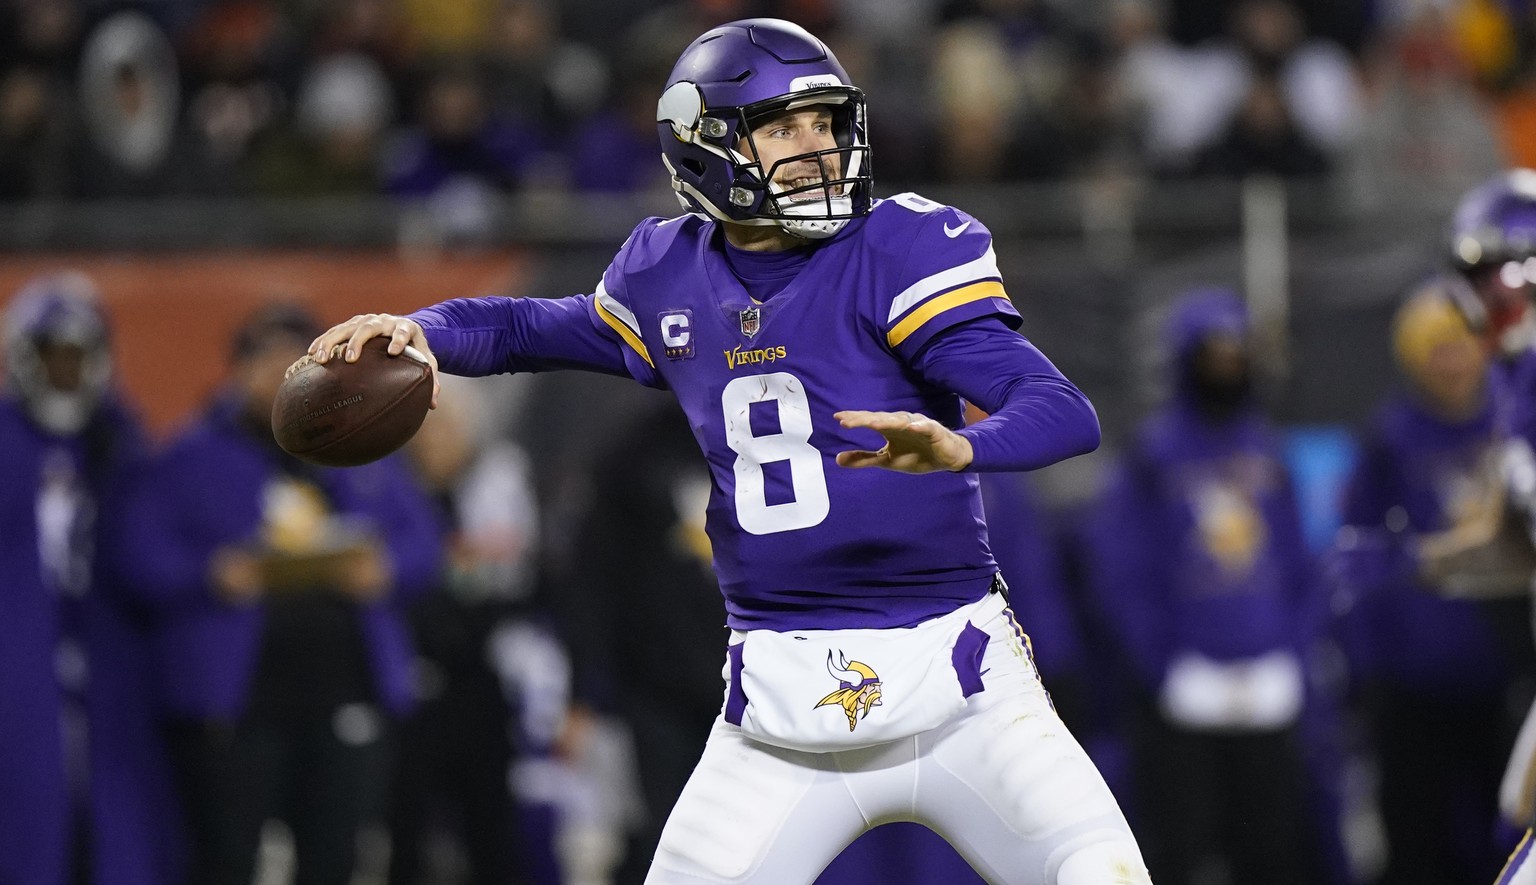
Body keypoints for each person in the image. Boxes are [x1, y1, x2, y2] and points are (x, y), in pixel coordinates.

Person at [307, 17, 1151, 885]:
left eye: (825, 123)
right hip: (779, 713)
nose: (817, 148)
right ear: (704, 145)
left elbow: (1059, 407)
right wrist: (420, 331)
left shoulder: (894, 248)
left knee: (1101, 872)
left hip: (959, 684)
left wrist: (960, 445)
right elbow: (530, 325)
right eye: (783, 127)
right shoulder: (666, 271)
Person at [109, 303, 442, 885]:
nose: (281, 378)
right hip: (235, 701)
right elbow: (135, 555)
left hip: (346, 689)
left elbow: (424, 539)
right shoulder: (188, 456)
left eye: (297, 362)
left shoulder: (362, 446)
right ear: (236, 372)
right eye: (266, 364)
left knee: (336, 856)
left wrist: (385, 568)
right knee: (228, 857)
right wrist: (210, 573)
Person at [1079, 288, 1325, 885]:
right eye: (1214, 354)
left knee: (1273, 852)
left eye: (1238, 354)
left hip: (1271, 689)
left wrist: (1294, 651)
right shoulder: (1153, 456)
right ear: (1187, 359)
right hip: (1184, 694)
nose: (1228, 367)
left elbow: (1297, 563)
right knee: (1180, 852)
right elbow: (1120, 570)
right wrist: (1161, 665)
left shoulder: (1269, 449)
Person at [1331, 278, 1532, 885]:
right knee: (1416, 838)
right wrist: (1366, 661)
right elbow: (1360, 554)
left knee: (1501, 835)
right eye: (1436, 347)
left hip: (1503, 668)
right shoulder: (1391, 434)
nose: (1452, 361)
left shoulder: (1514, 418)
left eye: (1461, 344)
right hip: (1415, 676)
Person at [0, 272, 179, 885]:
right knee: (25, 821)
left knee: (120, 819)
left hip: (109, 661)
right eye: (52, 358)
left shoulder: (121, 445)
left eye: (77, 358)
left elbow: (146, 556)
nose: (65, 373)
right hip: (18, 662)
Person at [1427, 167, 1536, 885]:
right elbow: (1521, 541)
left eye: (1486, 278)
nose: (1474, 305)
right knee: (1512, 808)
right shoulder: (1515, 380)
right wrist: (1417, 561)